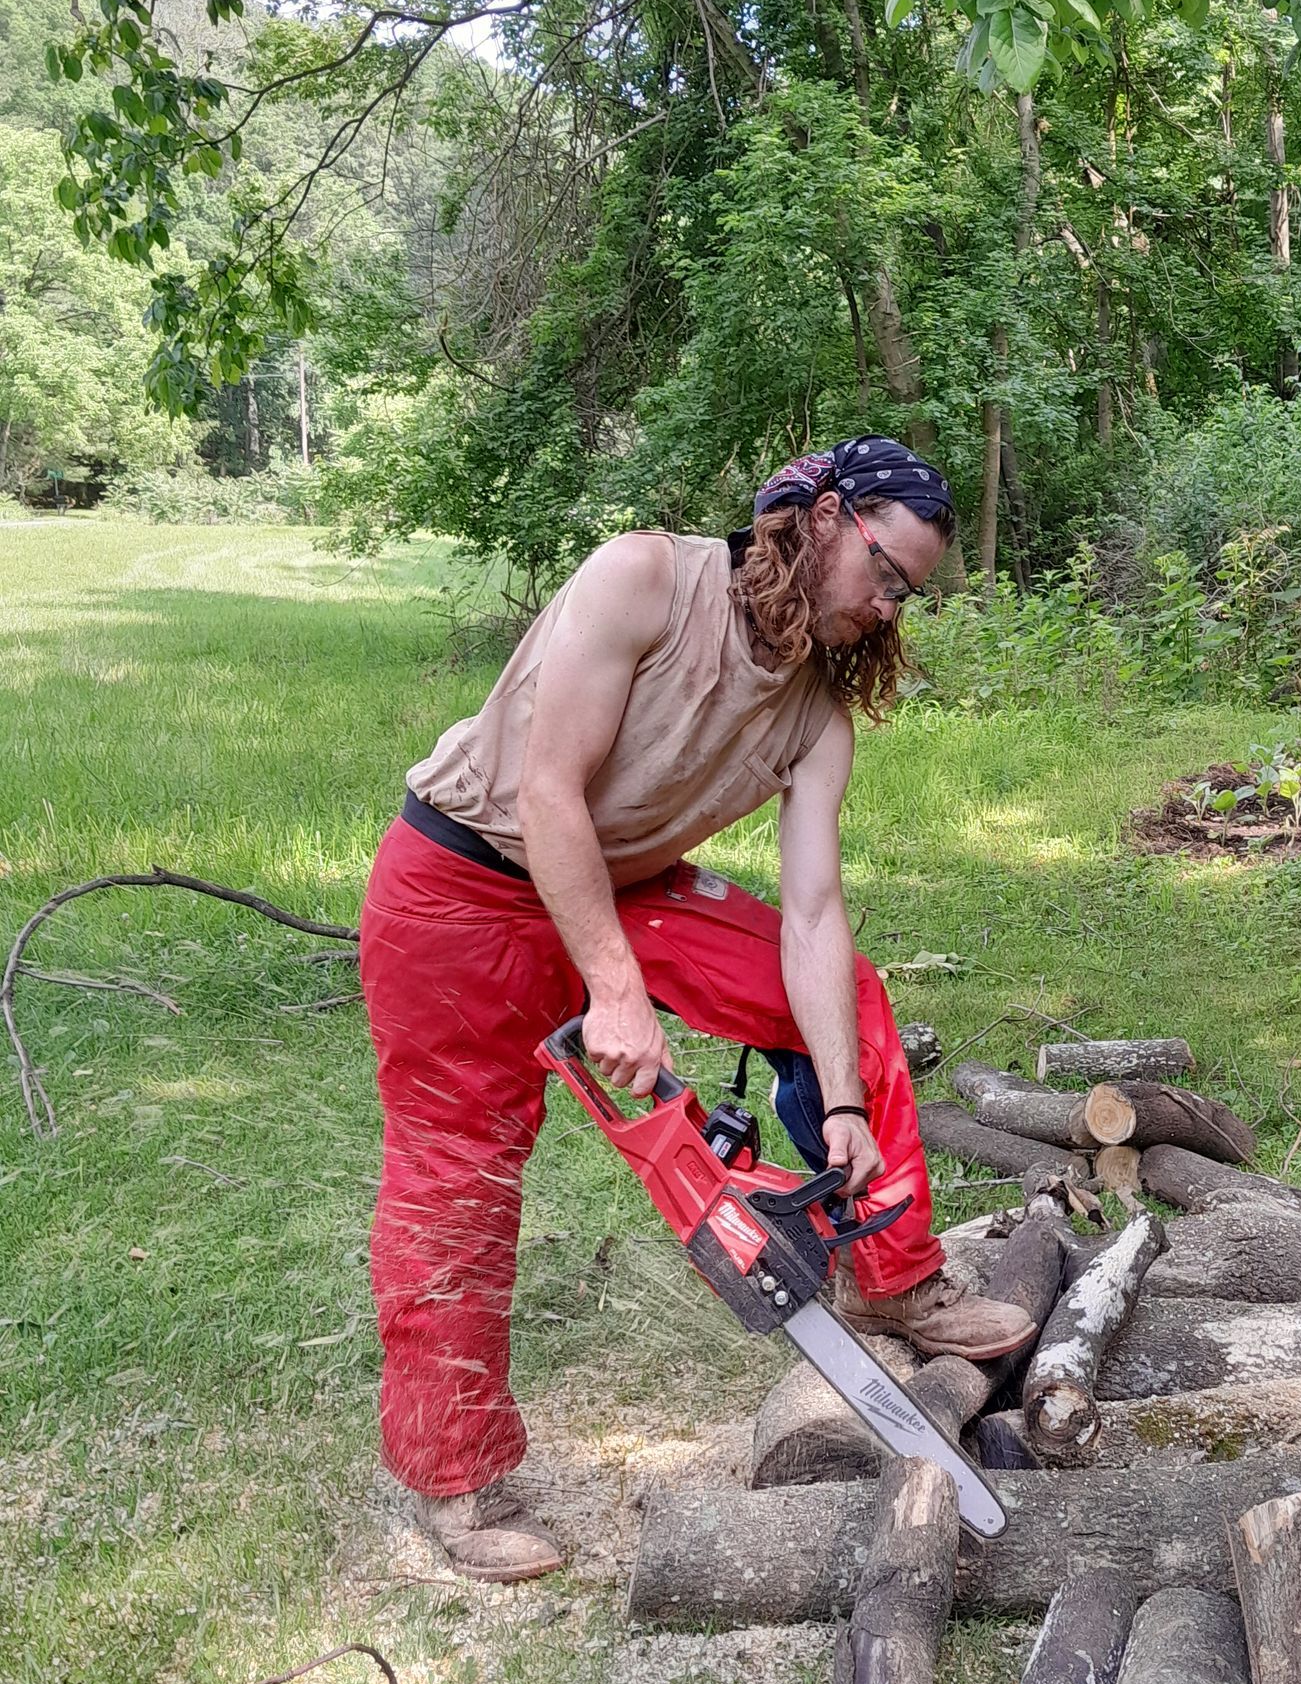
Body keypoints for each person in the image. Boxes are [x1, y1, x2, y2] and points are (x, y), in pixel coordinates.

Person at [358, 438, 1035, 1583]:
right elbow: (547, 789)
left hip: (630, 883)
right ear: (825, 520)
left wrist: (842, 1102)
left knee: (848, 1003)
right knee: (460, 1165)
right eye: (887, 573)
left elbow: (813, 918)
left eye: (909, 593)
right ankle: (455, 1474)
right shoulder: (645, 580)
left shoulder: (818, 716)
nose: (889, 608)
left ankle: (898, 1269)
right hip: (465, 882)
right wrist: (614, 988)